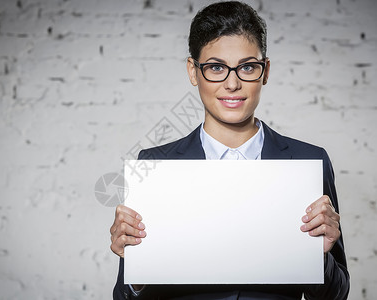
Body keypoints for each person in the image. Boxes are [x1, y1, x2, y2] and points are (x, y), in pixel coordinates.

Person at [110, 1, 350, 299]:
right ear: (193, 71)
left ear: (265, 71)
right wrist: (134, 265)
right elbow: (124, 296)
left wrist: (320, 256)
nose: (233, 83)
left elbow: (338, 294)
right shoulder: (155, 165)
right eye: (216, 67)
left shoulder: (310, 161)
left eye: (248, 66)